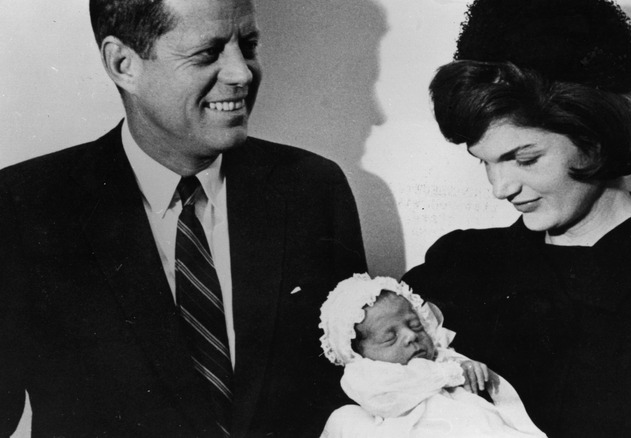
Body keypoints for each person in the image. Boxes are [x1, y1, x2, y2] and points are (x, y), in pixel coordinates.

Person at [402, 0, 631, 437]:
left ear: (595, 140)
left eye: (524, 159)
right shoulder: (460, 261)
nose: (500, 188)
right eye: (484, 162)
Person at [0, 0, 366, 436]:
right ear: (123, 64)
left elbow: (360, 385)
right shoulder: (23, 207)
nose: (242, 73)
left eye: (247, 45)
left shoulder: (313, 189)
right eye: (208, 53)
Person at [317, 274, 546, 438]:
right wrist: (449, 373)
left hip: (466, 421)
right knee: (343, 419)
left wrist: (467, 367)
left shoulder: (437, 357)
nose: (410, 336)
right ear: (358, 355)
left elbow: (455, 366)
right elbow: (386, 397)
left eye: (416, 326)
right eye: (390, 338)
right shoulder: (365, 375)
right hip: (410, 428)